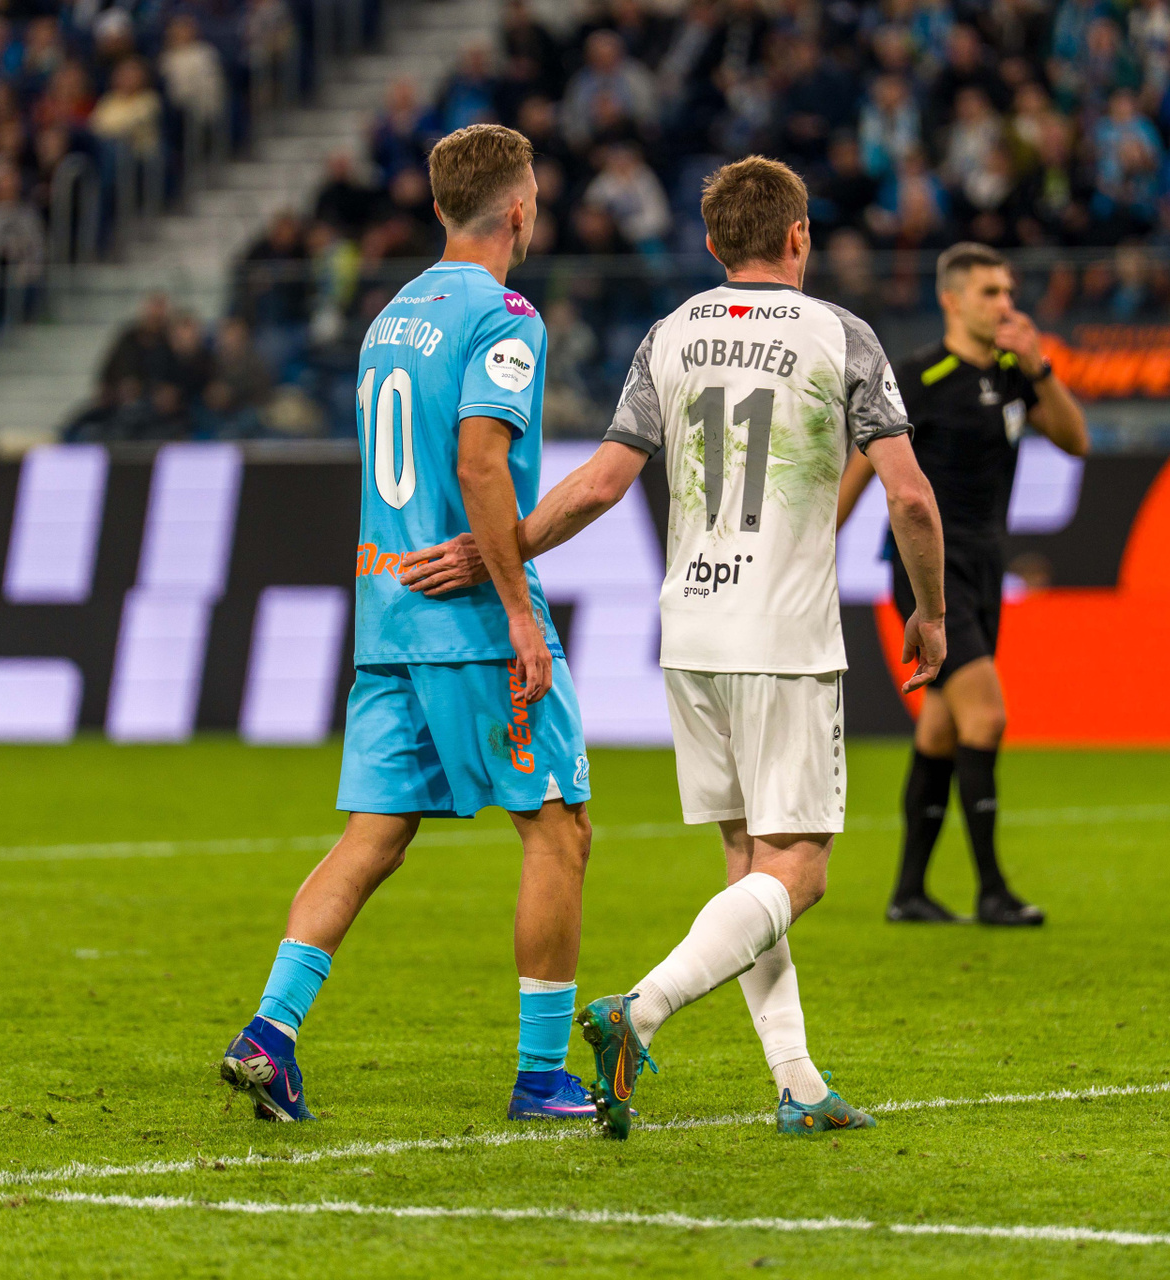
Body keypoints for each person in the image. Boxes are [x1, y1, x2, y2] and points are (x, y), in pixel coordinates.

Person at [405, 156, 949, 1140]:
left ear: (710, 243)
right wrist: (932, 610)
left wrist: (498, 548)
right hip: (784, 635)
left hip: (691, 631)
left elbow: (601, 484)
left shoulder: (671, 334)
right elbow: (908, 495)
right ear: (798, 236)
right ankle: (640, 1008)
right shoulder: (841, 334)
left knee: (749, 864)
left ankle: (798, 1083)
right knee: (800, 871)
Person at [218, 124, 596, 1124]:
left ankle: (270, 1032)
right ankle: (541, 1075)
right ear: (520, 208)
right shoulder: (506, 316)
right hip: (468, 620)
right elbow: (479, 461)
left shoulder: (390, 318)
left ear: (438, 208)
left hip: (386, 613)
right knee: (558, 827)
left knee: (373, 835)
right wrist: (517, 612)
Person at [837, 242, 1088, 927]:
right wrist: (814, 548)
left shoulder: (1013, 374)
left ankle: (908, 894)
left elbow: (1076, 440)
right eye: (989, 292)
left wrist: (1040, 368)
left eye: (1008, 291)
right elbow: (861, 470)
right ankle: (993, 891)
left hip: (985, 566)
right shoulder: (919, 376)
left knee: (942, 730)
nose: (1004, 304)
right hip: (927, 572)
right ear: (951, 300)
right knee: (987, 716)